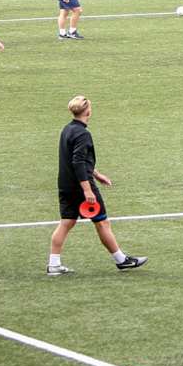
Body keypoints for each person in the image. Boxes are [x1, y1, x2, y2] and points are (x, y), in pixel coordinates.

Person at [48, 95, 146, 276]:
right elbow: (78, 162)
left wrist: (98, 174)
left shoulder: (67, 129)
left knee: (66, 222)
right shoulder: (83, 134)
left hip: (66, 183)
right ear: (88, 111)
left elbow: (76, 160)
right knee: (102, 222)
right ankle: (121, 260)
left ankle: (53, 264)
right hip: (81, 185)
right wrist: (87, 189)